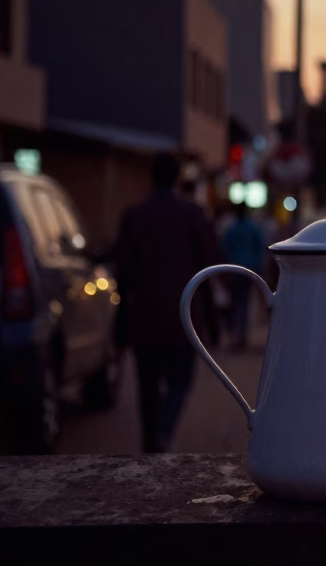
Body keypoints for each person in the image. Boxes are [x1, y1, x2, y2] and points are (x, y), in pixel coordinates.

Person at [115, 153, 220, 453]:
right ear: (177, 178)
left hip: (143, 317)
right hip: (183, 319)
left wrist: (120, 322)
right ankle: (164, 431)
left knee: (147, 386)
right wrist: (213, 322)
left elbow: (123, 272)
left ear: (152, 177)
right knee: (180, 380)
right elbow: (208, 271)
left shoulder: (134, 215)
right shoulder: (193, 215)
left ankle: (151, 441)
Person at [220, 202, 267, 350]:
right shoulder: (253, 228)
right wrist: (260, 269)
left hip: (233, 269)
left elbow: (224, 248)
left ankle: (235, 336)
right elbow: (260, 249)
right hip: (249, 269)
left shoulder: (232, 230)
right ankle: (242, 337)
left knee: (234, 303)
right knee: (245, 303)